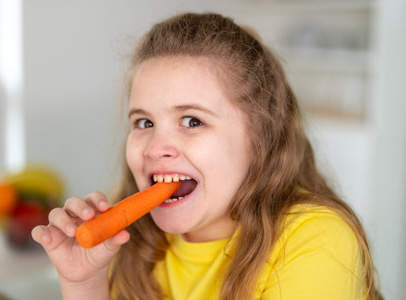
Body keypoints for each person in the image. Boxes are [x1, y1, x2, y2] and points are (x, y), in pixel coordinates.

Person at [32, 12, 382, 300]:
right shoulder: (133, 240)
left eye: (192, 120)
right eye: (144, 121)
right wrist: (84, 282)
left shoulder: (315, 237)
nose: (155, 147)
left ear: (260, 138)